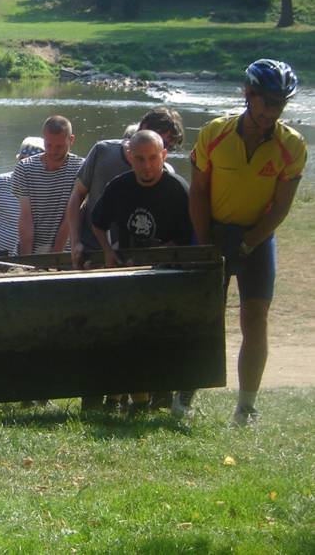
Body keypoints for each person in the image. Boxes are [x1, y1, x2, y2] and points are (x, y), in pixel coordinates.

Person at [189, 59, 306, 426]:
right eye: (268, 101)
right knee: (205, 317)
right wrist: (206, 239)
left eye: (281, 104)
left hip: (258, 236)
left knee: (255, 318)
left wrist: (252, 241)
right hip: (213, 230)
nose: (273, 111)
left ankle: (246, 407)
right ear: (248, 94)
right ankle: (184, 394)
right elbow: (198, 193)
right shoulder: (214, 133)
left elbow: (283, 204)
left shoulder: (292, 145)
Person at [89, 130, 193, 414]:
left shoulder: (178, 189)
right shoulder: (119, 186)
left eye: (152, 159)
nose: (147, 166)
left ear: (164, 156)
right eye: (140, 159)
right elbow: (97, 221)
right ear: (130, 158)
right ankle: (129, 399)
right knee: (125, 332)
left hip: (168, 274)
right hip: (128, 270)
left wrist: (171, 251)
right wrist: (108, 251)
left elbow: (191, 236)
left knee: (161, 336)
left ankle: (161, 396)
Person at [66, 107, 185, 269]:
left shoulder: (167, 176)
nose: (148, 164)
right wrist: (75, 241)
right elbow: (77, 196)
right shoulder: (103, 152)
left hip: (135, 259)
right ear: (142, 128)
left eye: (166, 147)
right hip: (93, 252)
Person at [13, 116, 83, 255]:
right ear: (44, 139)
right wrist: (28, 259)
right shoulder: (24, 168)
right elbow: (26, 217)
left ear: (71, 140)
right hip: (31, 248)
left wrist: (55, 257)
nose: (53, 151)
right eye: (48, 145)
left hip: (67, 252)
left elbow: (71, 215)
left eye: (59, 146)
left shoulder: (81, 168)